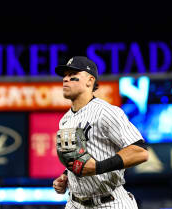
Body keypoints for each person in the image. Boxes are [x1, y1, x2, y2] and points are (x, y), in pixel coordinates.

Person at [52, 56, 148, 209]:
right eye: (64, 75)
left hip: (110, 202)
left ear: (90, 81)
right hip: (75, 203)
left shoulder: (106, 112)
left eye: (72, 75)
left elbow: (140, 152)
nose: (65, 79)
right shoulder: (65, 119)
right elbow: (78, 156)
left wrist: (98, 167)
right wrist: (65, 176)